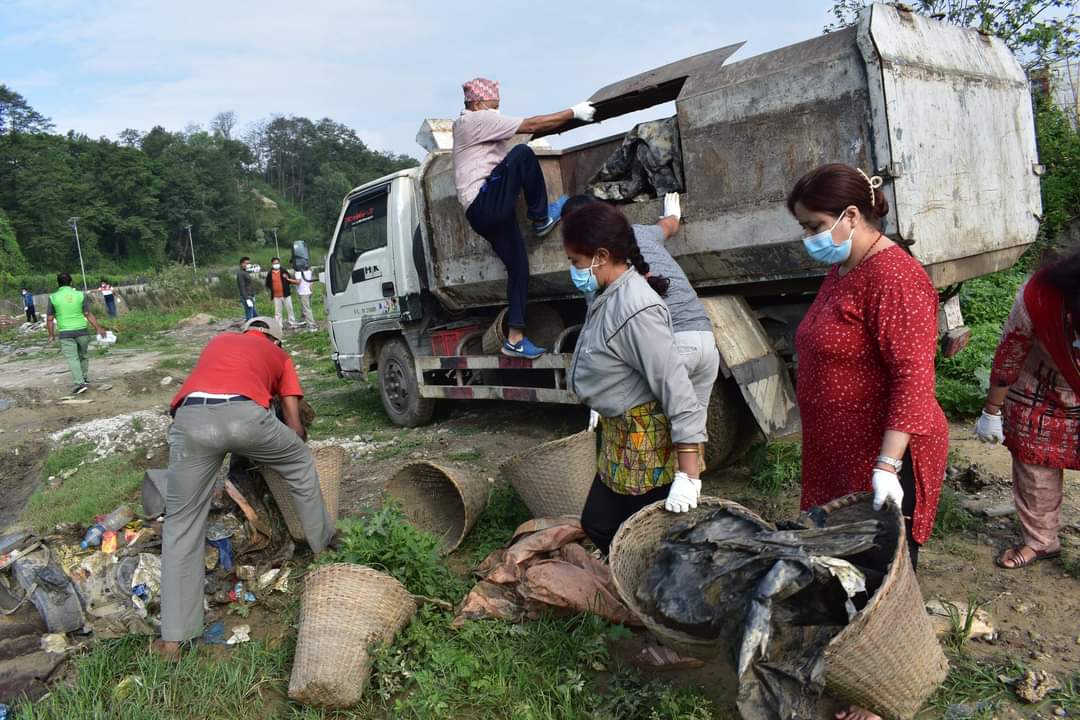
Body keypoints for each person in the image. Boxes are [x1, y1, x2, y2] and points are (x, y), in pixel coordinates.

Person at [788, 164, 948, 720]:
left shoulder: (895, 277)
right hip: (840, 450)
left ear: (852, 217)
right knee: (844, 562)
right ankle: (851, 654)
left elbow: (913, 377)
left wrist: (887, 464)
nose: (808, 237)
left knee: (884, 569)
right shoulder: (845, 270)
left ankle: (882, 690)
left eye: (814, 225)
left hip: (884, 454)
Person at [153, 316, 334, 661]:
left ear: (247, 331)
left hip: (189, 419)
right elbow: (294, 424)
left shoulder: (219, 341)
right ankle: (322, 544)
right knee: (299, 461)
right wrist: (288, 439)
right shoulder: (278, 355)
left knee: (181, 525)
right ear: (275, 340)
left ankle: (174, 641)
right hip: (244, 418)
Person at [562, 193, 720, 469]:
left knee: (657, 438)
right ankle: (692, 488)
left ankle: (670, 492)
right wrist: (672, 214)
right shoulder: (635, 236)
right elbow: (669, 226)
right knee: (692, 433)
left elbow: (602, 338)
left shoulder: (606, 276)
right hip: (705, 339)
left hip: (674, 343)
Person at [452, 77, 596, 359]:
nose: (497, 111)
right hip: (485, 202)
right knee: (521, 155)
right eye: (495, 106)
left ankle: (515, 339)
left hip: (482, 213)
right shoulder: (474, 120)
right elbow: (530, 125)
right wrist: (573, 112)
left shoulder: (472, 126)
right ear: (478, 103)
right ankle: (541, 217)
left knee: (519, 269)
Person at [975, 244, 1080, 569]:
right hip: (1040, 385)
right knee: (1036, 470)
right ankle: (1041, 542)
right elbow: (1011, 353)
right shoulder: (1037, 297)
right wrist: (991, 411)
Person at [46, 272, 107, 394]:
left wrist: (51, 335)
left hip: (65, 333)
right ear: (71, 282)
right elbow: (87, 314)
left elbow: (50, 319)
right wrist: (98, 328)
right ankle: (84, 378)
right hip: (82, 331)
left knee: (73, 358)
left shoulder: (53, 297)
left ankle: (79, 383)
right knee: (83, 355)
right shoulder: (80, 295)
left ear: (58, 283)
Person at [265, 256, 298, 327]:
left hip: (286, 294)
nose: (276, 264)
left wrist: (286, 278)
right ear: (272, 264)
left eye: (277, 263)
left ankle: (292, 322)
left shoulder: (284, 271)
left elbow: (289, 280)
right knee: (278, 312)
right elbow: (267, 283)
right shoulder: (270, 273)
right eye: (274, 263)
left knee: (290, 309)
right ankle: (279, 325)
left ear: (279, 263)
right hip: (276, 296)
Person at [294, 259, 317, 328]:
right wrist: (311, 287)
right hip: (308, 292)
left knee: (306, 308)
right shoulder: (309, 271)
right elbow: (311, 281)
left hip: (303, 292)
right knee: (305, 307)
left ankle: (311, 324)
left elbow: (298, 282)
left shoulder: (298, 272)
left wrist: (288, 280)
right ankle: (303, 321)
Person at [237, 257, 258, 321]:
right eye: (246, 263)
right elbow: (242, 287)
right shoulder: (241, 273)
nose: (248, 265)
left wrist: (253, 295)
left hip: (251, 296)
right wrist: (247, 299)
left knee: (255, 315)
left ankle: (256, 327)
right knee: (250, 316)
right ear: (241, 264)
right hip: (247, 297)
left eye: (248, 263)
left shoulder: (246, 272)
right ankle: (249, 329)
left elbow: (249, 285)